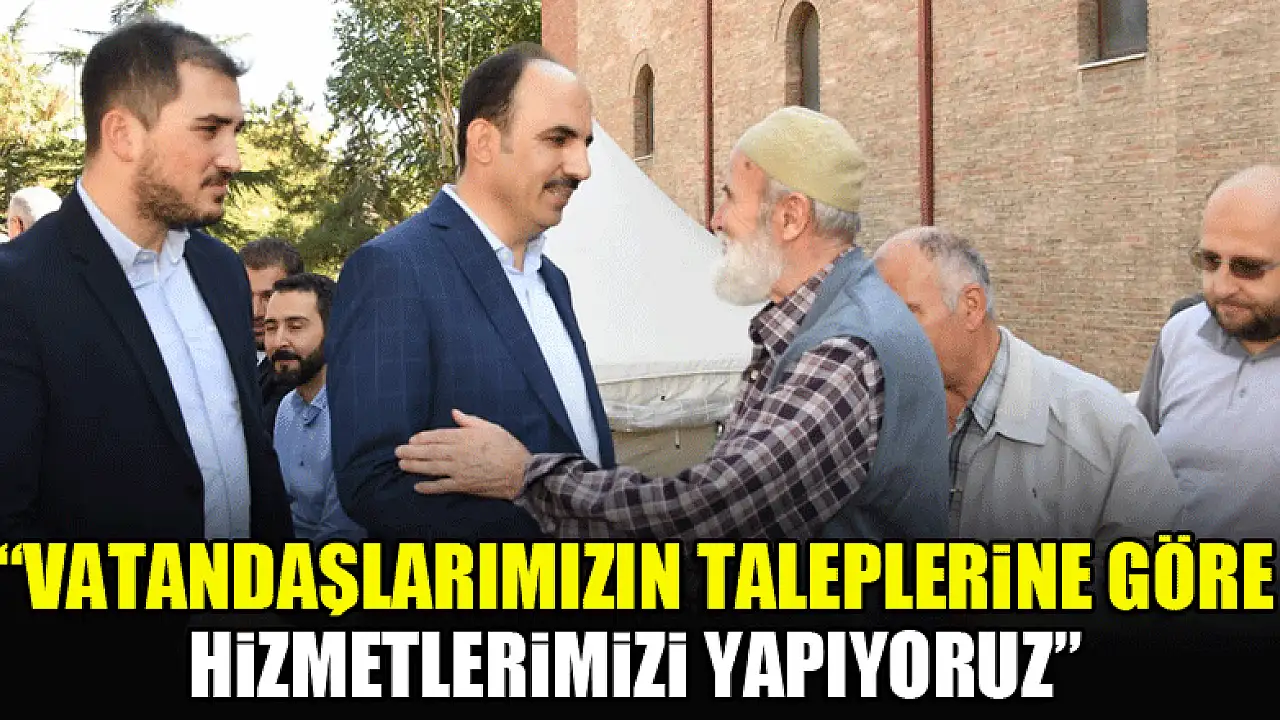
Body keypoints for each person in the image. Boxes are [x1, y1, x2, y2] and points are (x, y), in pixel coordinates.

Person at [397, 105, 951, 542]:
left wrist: (523, 475)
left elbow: (711, 511)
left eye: (730, 198)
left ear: (791, 217)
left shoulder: (846, 353)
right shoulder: (818, 319)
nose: (715, 219)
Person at [0, 20, 292, 541]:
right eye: (209, 130)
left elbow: (253, 459)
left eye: (235, 132)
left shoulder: (222, 270)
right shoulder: (18, 291)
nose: (233, 159)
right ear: (123, 134)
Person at [326, 43, 617, 541]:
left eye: (584, 143)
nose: (581, 167)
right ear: (483, 141)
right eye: (558, 139)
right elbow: (374, 483)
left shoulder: (554, 280)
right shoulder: (394, 270)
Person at [872, 226, 1182, 544]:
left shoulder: (1105, 432)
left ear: (971, 307)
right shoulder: (869, 414)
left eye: (904, 316)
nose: (880, 339)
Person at [1137, 164, 1280, 541]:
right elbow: (1138, 461)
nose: (1220, 286)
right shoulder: (1179, 334)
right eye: (1210, 261)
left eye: (1248, 267)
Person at [265, 272, 366, 544]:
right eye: (271, 328)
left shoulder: (356, 415)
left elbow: (340, 538)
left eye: (295, 327)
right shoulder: (288, 407)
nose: (279, 341)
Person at [239, 236, 305, 436]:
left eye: (269, 296)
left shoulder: (304, 365)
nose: (256, 311)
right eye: (246, 294)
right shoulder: (223, 358)